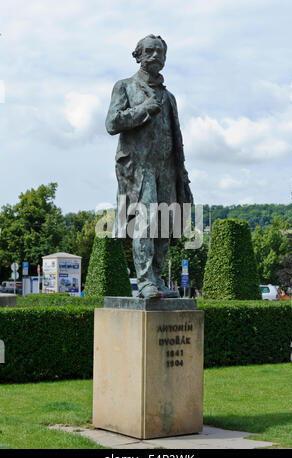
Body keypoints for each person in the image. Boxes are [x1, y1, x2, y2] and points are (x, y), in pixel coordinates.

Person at [106, 34, 193, 299]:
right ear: (139, 56)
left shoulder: (169, 97)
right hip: (139, 168)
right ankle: (145, 281)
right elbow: (112, 123)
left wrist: (181, 173)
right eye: (150, 51)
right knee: (145, 223)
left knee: (166, 224)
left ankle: (158, 279)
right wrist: (144, 109)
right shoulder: (125, 87)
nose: (156, 56)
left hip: (167, 169)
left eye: (161, 52)